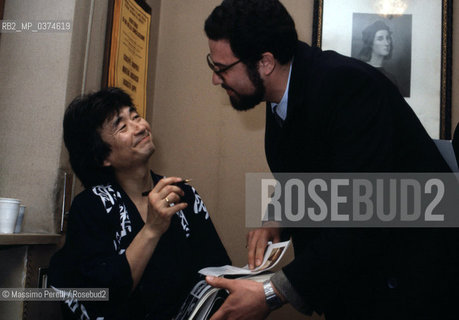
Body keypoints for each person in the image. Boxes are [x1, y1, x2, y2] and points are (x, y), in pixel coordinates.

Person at [204, 0, 458, 319]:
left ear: (265, 62)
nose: (216, 80)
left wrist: (271, 292)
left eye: (222, 68)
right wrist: (277, 216)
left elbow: (362, 217)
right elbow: (314, 173)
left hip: (409, 287)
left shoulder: (348, 87)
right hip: (355, 282)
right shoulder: (282, 90)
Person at [48, 87, 231, 319]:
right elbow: (102, 295)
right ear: (102, 157)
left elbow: (219, 270)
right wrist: (152, 229)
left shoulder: (181, 194)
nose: (140, 127)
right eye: (122, 126)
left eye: (135, 116)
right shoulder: (91, 207)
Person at [357, 20, 399, 88]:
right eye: (380, 39)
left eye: (388, 38)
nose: (387, 43)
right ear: (370, 43)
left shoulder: (391, 78)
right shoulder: (360, 73)